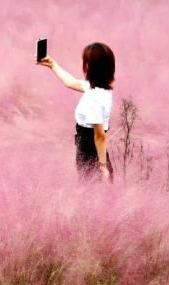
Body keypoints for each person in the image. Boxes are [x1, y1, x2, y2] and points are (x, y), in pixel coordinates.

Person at [37, 43, 115, 183]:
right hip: (91, 147)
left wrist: (102, 166)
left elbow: (100, 135)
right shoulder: (100, 88)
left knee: (90, 191)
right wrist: (52, 64)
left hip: (90, 148)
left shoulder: (94, 98)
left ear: (89, 67)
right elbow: (70, 82)